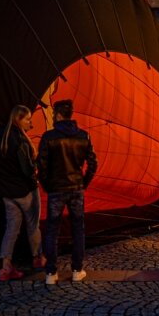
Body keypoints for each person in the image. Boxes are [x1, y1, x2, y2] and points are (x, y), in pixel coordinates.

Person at [38, 100, 97, 285]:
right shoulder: (83, 136)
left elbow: (41, 165)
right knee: (78, 230)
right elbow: (93, 163)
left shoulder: (48, 137)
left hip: (56, 190)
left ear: (58, 114)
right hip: (76, 189)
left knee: (52, 231)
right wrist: (83, 182)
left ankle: (51, 273)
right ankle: (77, 270)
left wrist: (47, 185)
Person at [0, 105, 46, 281]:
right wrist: (37, 163)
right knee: (33, 225)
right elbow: (27, 171)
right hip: (25, 191)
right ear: (18, 119)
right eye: (28, 119)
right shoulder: (21, 141)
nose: (31, 123)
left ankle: (6, 266)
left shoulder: (0, 136)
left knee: (11, 229)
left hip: (7, 193)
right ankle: (38, 258)